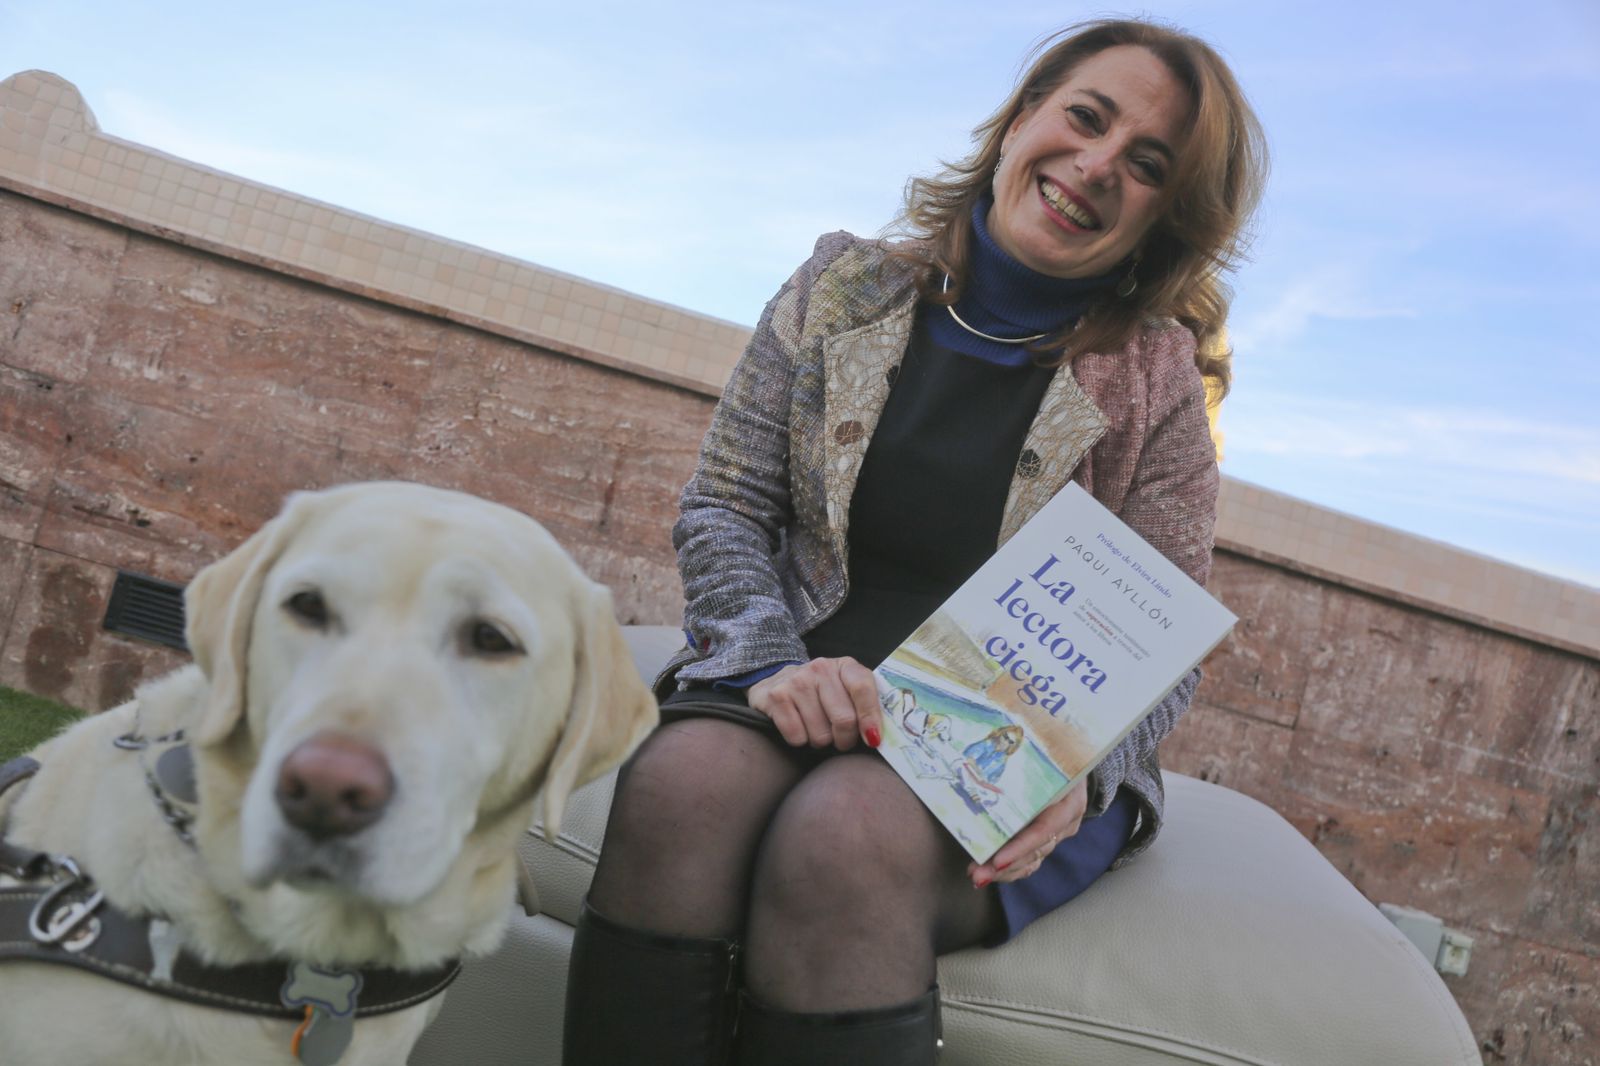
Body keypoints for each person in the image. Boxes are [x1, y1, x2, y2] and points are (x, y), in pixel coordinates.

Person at [562, 18, 1267, 1066]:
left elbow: (1160, 644)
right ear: (1024, 115)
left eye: (1146, 164)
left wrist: (1069, 764)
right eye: (1084, 117)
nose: (1095, 166)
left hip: (1004, 742)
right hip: (795, 674)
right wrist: (765, 661)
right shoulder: (839, 286)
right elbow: (724, 506)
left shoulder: (1155, 380)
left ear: (1165, 217)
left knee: (844, 833)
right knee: (682, 786)